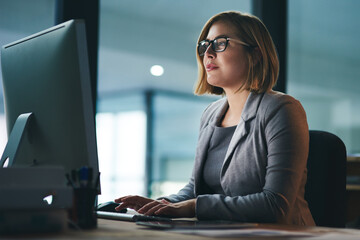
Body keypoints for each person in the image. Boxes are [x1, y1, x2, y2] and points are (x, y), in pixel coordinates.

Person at [114, 11, 315, 225]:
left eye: (220, 43)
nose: (207, 53)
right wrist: (161, 204)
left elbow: (275, 205)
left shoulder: (281, 109)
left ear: (255, 54)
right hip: (223, 233)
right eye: (204, 45)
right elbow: (194, 189)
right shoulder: (211, 114)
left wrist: (194, 206)